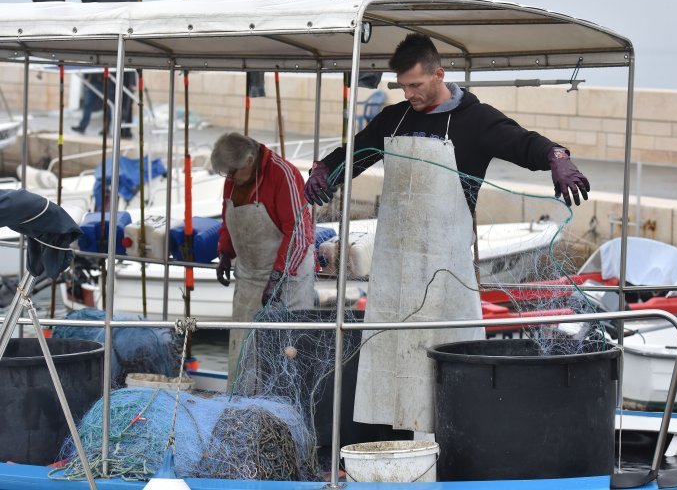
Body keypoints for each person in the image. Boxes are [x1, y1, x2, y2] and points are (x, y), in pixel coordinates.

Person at [304, 33, 590, 435]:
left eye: (416, 85)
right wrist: (325, 171)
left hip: (445, 273)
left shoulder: (477, 120)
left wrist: (557, 158)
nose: (409, 93)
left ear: (439, 74)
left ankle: (445, 445)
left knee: (441, 369)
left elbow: (524, 142)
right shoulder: (396, 118)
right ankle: (395, 446)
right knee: (391, 366)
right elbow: (357, 154)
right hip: (394, 273)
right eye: (402, 86)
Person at [211, 132, 315, 391]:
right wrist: (225, 252)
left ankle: (284, 414)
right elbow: (229, 217)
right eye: (227, 175)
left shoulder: (284, 175)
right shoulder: (234, 179)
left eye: (233, 173)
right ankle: (241, 409)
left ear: (248, 161)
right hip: (249, 277)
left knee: (283, 354)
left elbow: (299, 233)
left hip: (288, 279)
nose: (230, 179)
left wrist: (279, 276)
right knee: (242, 353)